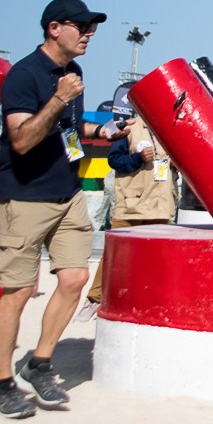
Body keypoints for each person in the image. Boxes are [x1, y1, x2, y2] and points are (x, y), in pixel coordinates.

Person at [0, 0, 129, 420]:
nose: (88, 36)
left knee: (75, 278)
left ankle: (40, 362)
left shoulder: (74, 72)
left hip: (66, 194)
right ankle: (2, 384)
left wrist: (101, 128)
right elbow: (23, 140)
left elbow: (67, 130)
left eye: (92, 29)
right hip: (26, 195)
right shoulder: (24, 76)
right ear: (54, 28)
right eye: (81, 27)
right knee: (18, 294)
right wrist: (57, 99)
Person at [85, 119, 177, 308]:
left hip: (161, 203)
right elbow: (115, 161)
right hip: (131, 205)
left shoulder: (171, 127)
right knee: (116, 254)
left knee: (155, 258)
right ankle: (95, 299)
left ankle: (146, 302)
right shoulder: (129, 128)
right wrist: (138, 158)